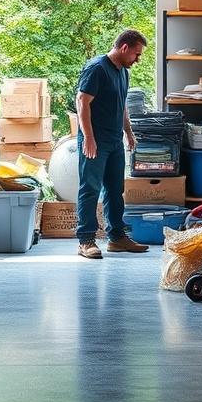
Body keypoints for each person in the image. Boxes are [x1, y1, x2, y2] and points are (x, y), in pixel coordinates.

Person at [74, 29, 150, 259]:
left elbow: (122, 105)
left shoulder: (123, 72)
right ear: (124, 47)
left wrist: (129, 132)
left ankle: (116, 238)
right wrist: (88, 137)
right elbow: (82, 101)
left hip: (115, 140)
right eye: (136, 54)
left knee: (116, 190)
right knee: (90, 189)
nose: (137, 59)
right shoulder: (97, 68)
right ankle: (86, 240)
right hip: (95, 140)